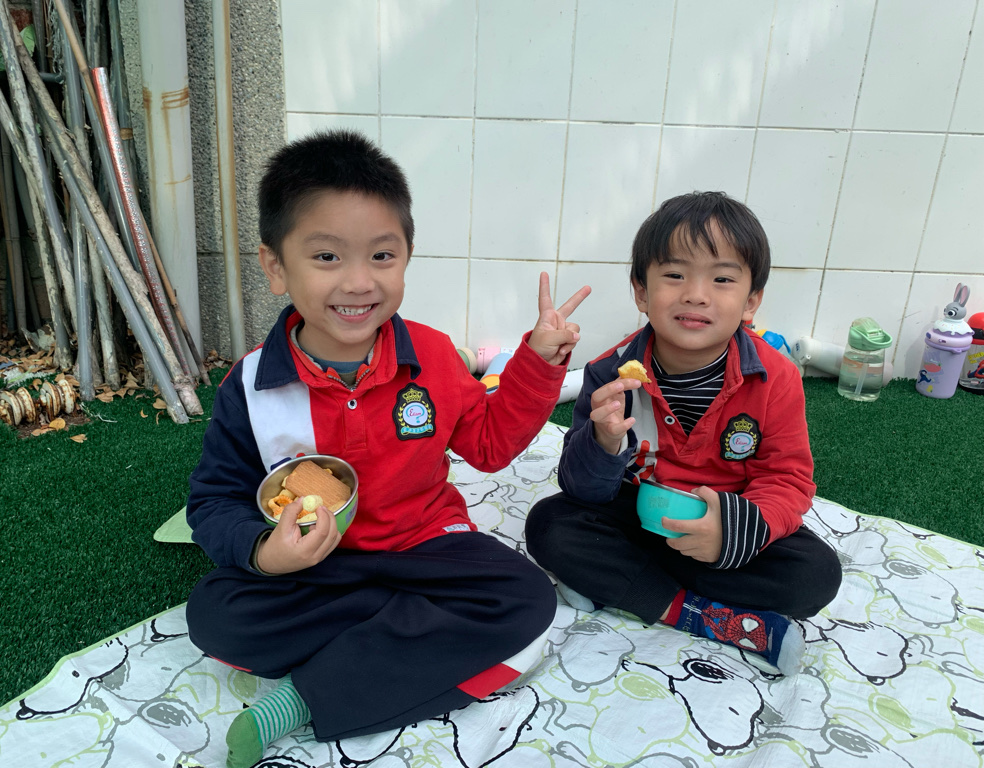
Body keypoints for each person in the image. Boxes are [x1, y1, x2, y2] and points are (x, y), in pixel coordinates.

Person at [185, 129, 590, 767]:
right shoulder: (253, 383)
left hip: (427, 548)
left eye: (381, 256)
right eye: (326, 257)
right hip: (317, 567)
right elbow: (214, 501)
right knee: (215, 616)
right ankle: (414, 631)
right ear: (275, 267)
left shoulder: (432, 355)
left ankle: (300, 700)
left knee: (527, 596)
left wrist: (537, 364)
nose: (358, 282)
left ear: (406, 258)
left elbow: (489, 445)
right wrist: (266, 552)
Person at [525, 191, 842, 676]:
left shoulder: (774, 377)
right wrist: (603, 443)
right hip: (635, 517)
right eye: (674, 275)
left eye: (722, 279)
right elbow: (581, 489)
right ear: (641, 291)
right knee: (550, 525)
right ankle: (702, 615)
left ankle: (629, 586)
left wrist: (730, 535)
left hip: (725, 528)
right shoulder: (610, 373)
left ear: (751, 300)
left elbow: (787, 479)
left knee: (815, 574)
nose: (696, 294)